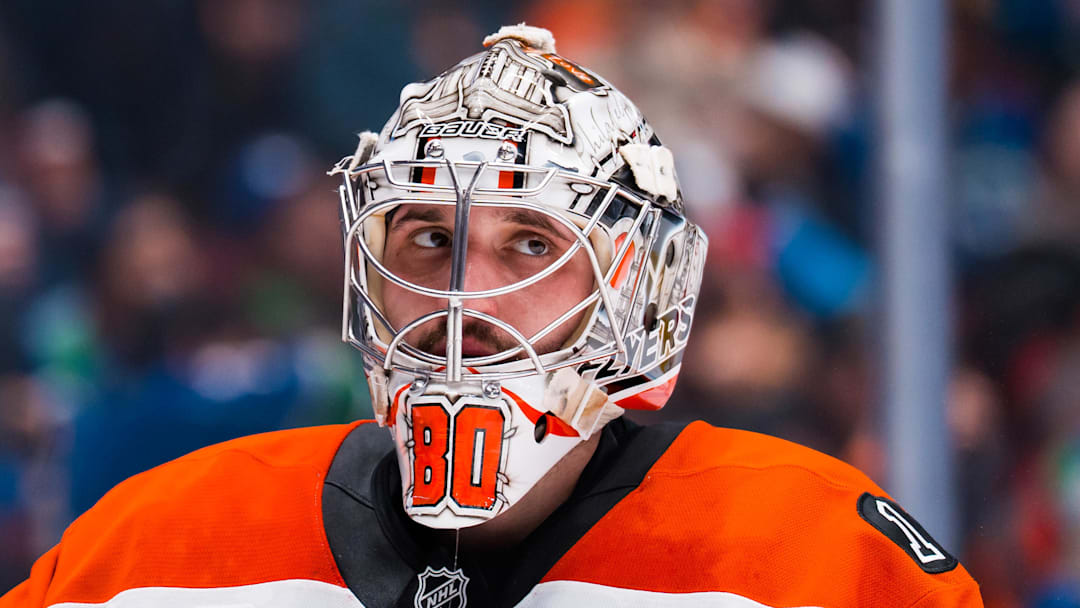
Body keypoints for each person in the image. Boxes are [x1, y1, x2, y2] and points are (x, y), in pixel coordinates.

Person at [1, 25, 982, 608]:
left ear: (638, 289)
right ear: (367, 276)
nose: (465, 299)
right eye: (426, 239)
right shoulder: (147, 556)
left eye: (531, 245)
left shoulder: (814, 560)